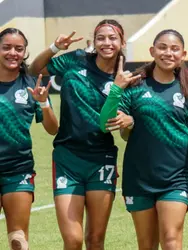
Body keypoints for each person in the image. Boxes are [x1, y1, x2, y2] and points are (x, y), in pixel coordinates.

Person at [28, 20, 132, 250]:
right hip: (67, 158)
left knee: (95, 240)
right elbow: (34, 69)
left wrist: (129, 121)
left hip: (101, 159)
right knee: (73, 240)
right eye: (101, 38)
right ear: (92, 42)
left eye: (113, 38)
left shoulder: (124, 79)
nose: (107, 42)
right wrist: (54, 47)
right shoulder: (75, 59)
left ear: (122, 42)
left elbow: (125, 133)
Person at [99, 29, 188, 250]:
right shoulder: (135, 87)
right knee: (146, 245)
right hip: (139, 179)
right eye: (163, 47)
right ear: (152, 51)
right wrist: (117, 89)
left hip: (175, 180)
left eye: (175, 49)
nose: (168, 53)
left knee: (172, 242)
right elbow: (104, 123)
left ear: (183, 54)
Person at [0, 28, 58, 250]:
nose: (12, 53)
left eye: (18, 48)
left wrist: (43, 102)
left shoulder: (32, 84)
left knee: (19, 239)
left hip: (18, 169)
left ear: (24, 53)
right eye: (6, 47)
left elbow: (53, 129)